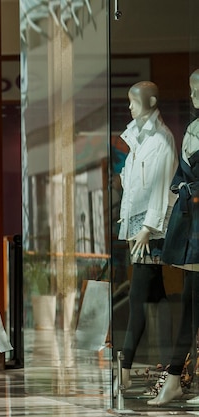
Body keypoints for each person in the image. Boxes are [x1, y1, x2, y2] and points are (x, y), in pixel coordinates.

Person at [113, 81, 177, 397]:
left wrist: (148, 227)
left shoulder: (162, 141)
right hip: (138, 229)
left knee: (139, 297)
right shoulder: (139, 138)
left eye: (133, 102)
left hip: (149, 232)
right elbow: (133, 183)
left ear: (150, 101)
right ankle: (168, 364)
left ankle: (125, 367)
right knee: (154, 295)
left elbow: (162, 188)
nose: (129, 107)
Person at [148, 69, 199, 406]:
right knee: (190, 307)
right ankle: (172, 380)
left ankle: (173, 380)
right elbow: (181, 177)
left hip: (193, 225)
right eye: (192, 89)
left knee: (191, 308)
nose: (194, 96)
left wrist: (187, 188)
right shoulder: (193, 130)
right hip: (192, 230)